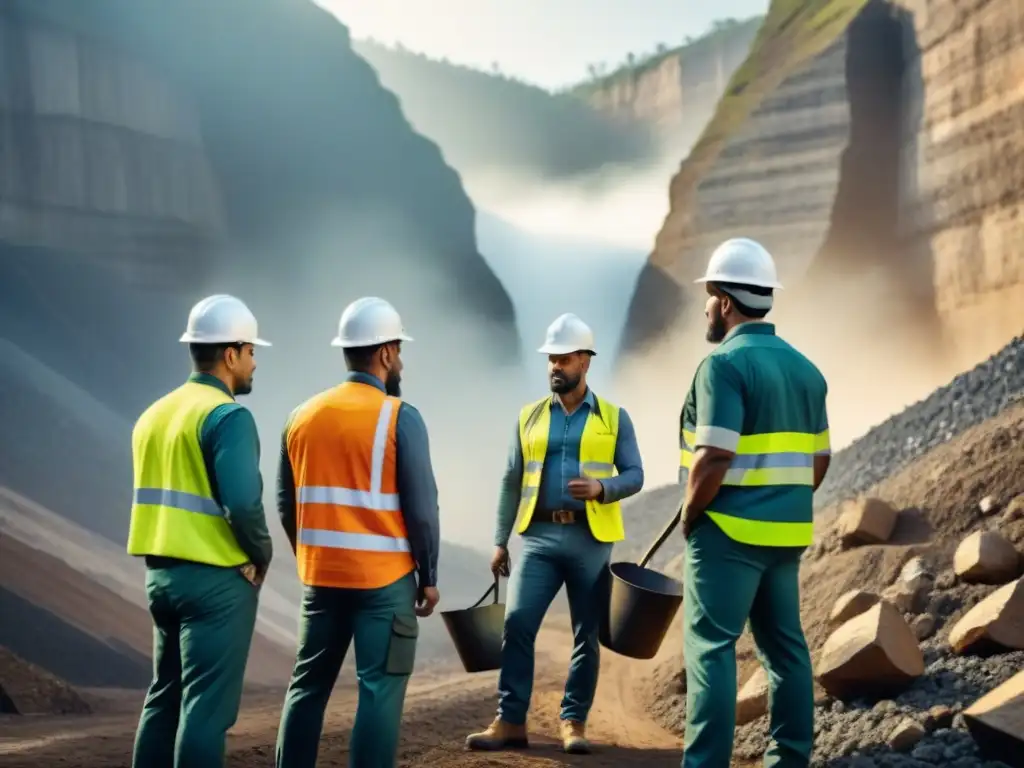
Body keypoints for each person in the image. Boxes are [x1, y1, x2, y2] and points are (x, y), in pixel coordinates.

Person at [679, 237, 830, 768]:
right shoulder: (807, 370)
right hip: (785, 535)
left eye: (707, 295)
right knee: (786, 651)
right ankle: (788, 760)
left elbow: (714, 455)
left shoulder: (723, 365)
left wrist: (691, 514)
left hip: (728, 533)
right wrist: (783, 501)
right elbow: (819, 459)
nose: (704, 307)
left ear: (723, 301)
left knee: (711, 650)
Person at [466, 313, 644, 755]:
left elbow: (636, 474)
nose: (554, 367)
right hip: (540, 540)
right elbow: (511, 479)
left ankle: (573, 721)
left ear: (585, 361)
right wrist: (499, 540)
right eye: (550, 359)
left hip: (590, 539)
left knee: (587, 634)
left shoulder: (614, 418)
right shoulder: (527, 418)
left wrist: (604, 488)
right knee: (517, 622)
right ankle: (510, 721)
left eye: (563, 359)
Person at [274, 296, 441, 768]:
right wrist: (428, 575)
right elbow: (423, 510)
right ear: (386, 353)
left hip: (321, 579)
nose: (401, 361)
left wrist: (311, 556)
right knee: (378, 690)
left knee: (306, 687)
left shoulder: (301, 416)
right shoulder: (399, 416)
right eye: (399, 350)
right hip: (383, 581)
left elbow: (288, 504)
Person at [128, 294, 274, 768]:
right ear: (230, 354)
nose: (254, 362)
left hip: (161, 579)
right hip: (215, 582)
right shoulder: (227, 417)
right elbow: (243, 504)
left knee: (163, 698)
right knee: (206, 710)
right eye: (252, 352)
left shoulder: (153, 416)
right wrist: (262, 555)